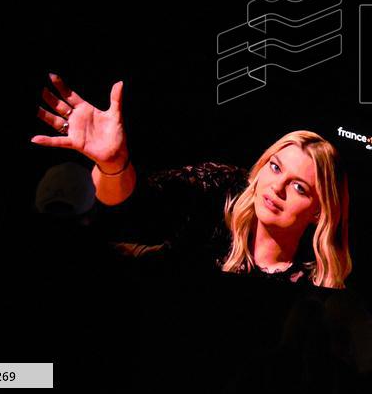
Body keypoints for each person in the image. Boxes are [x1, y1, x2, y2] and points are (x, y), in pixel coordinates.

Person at [30, 72, 352, 288]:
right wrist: (114, 164)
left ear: (319, 212)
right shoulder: (220, 192)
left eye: (299, 187)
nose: (277, 187)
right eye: (276, 167)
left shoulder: (315, 293)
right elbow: (137, 210)